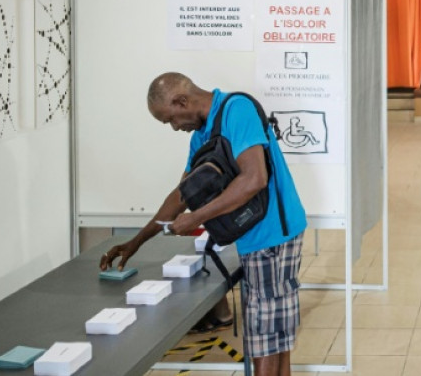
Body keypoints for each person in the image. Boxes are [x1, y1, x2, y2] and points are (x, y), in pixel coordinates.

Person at [100, 72, 307, 376]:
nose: (174, 127)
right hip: (256, 237)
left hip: (272, 235)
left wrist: (197, 218)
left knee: (264, 337)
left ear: (182, 101)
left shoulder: (237, 110)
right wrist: (137, 240)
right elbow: (182, 194)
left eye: (170, 119)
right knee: (275, 335)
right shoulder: (202, 135)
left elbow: (254, 179)